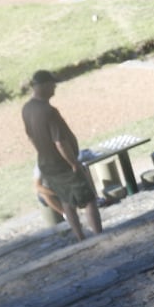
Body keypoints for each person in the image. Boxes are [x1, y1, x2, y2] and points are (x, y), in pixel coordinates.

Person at [21, 69, 102, 241]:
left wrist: (43, 151)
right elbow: (60, 142)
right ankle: (97, 235)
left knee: (66, 200)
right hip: (62, 163)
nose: (55, 88)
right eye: (52, 84)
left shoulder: (27, 109)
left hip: (45, 162)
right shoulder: (49, 111)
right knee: (88, 199)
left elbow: (30, 136)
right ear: (42, 86)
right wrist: (73, 163)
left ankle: (80, 237)